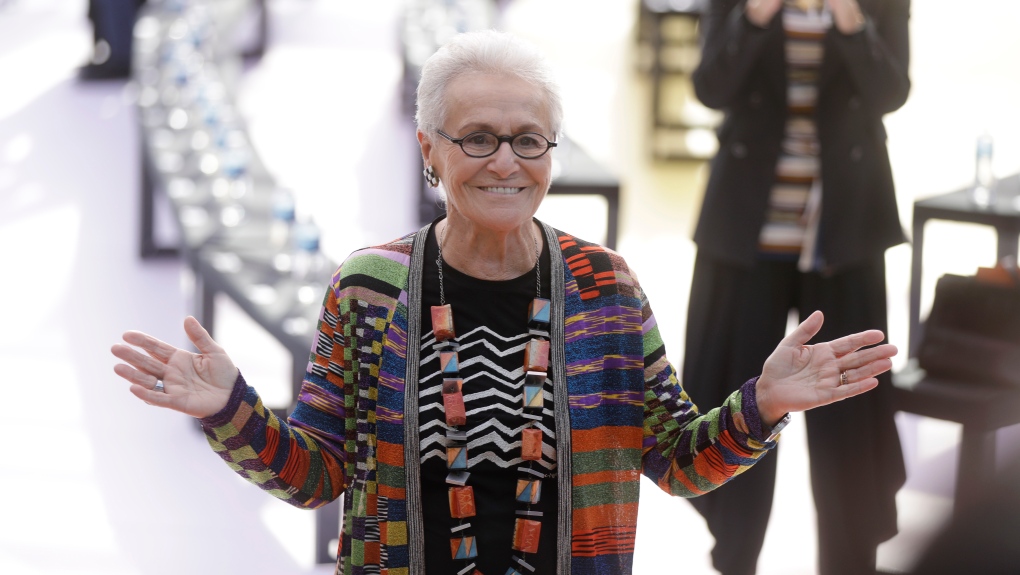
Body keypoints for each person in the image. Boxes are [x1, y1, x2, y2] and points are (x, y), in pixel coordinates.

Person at [111, 30, 899, 575]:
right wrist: (231, 409)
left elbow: (677, 460)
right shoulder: (369, 286)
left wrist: (761, 403)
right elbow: (319, 473)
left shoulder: (606, 288)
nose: (505, 162)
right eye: (477, 137)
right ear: (430, 149)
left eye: (529, 139)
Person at [684, 1, 911, 574]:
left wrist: (848, 16)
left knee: (851, 413)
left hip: (845, 232)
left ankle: (851, 562)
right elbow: (711, 86)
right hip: (746, 235)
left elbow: (891, 92)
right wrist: (756, 14)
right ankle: (733, 561)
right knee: (741, 404)